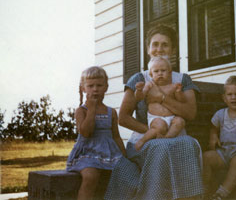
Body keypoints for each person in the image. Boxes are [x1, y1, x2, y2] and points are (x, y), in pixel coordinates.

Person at [105, 24, 203, 200]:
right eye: (155, 44)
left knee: (188, 143)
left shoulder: (182, 80)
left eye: (165, 44)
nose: (159, 49)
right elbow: (123, 118)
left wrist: (162, 98)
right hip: (146, 140)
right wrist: (152, 133)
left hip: (176, 135)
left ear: (173, 49)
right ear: (148, 49)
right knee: (161, 146)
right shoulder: (140, 79)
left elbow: (190, 113)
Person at [66, 66, 126, 200]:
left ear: (106, 87)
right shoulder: (81, 111)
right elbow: (86, 133)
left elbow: (116, 136)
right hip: (87, 154)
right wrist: (92, 110)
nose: (95, 89)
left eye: (99, 85)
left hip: (110, 153)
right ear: (83, 88)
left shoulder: (111, 112)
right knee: (91, 176)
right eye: (90, 85)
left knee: (124, 174)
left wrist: (125, 155)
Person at [134, 56, 186, 150]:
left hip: (171, 117)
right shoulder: (150, 85)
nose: (160, 73)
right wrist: (138, 90)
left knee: (180, 121)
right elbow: (139, 97)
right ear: (150, 74)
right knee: (159, 127)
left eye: (163, 70)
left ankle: (167, 139)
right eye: (156, 71)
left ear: (170, 72)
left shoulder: (173, 86)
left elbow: (181, 101)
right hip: (155, 117)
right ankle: (142, 140)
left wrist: (179, 92)